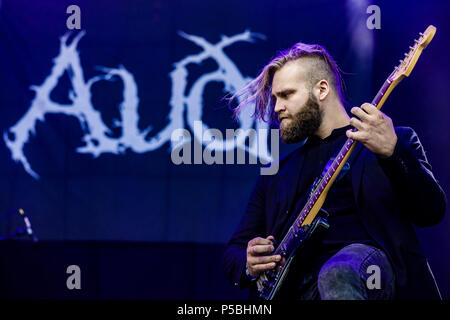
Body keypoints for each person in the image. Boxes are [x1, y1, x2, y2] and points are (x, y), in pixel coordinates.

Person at [222, 42, 446, 300]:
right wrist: (249, 264)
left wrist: (393, 151)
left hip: (368, 275)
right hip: (298, 286)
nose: (277, 108)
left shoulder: (392, 140)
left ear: (322, 89)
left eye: (286, 95)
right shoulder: (277, 174)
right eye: (274, 98)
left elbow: (431, 212)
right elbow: (234, 252)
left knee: (338, 271)